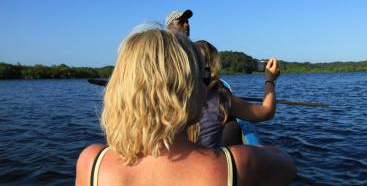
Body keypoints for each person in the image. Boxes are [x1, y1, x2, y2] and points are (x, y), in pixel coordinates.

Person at [76, 29, 296, 186]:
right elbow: (287, 166)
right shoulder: (237, 164)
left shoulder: (91, 162)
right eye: (202, 77)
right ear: (191, 90)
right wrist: (270, 80)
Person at [189, 40, 279, 148]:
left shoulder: (170, 98)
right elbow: (267, 112)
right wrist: (270, 80)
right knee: (233, 126)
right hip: (209, 162)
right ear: (213, 66)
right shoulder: (221, 99)